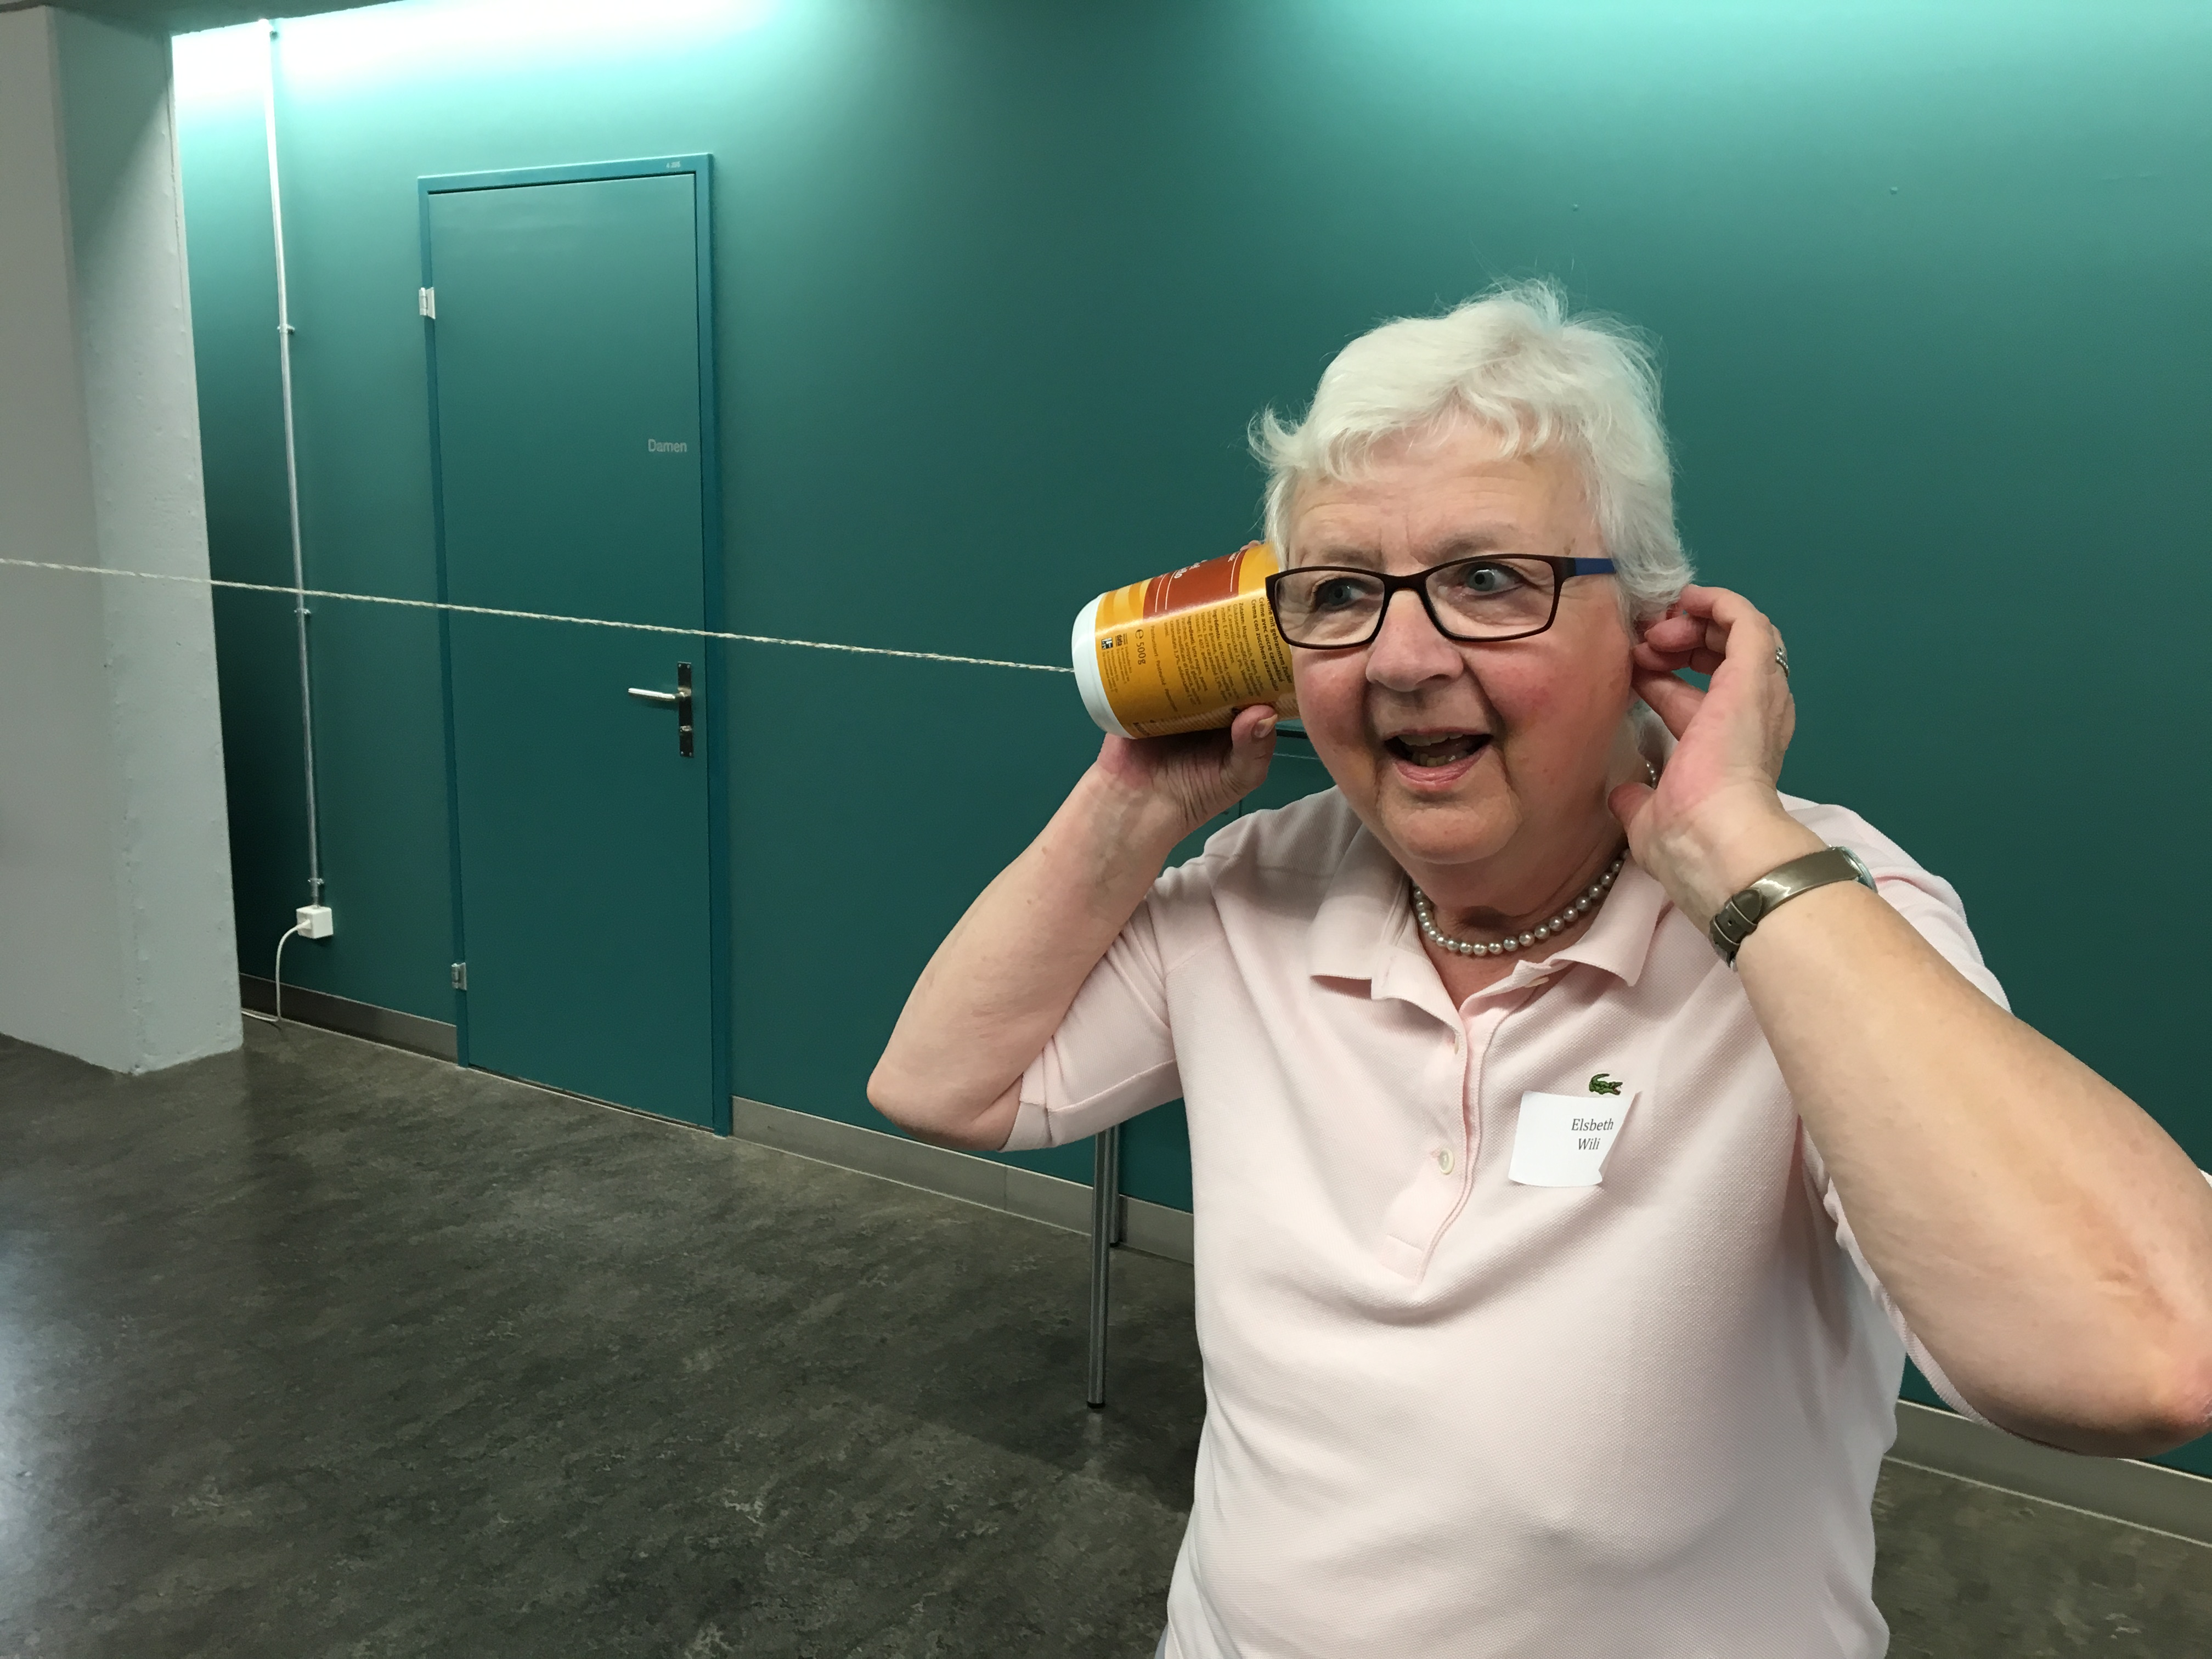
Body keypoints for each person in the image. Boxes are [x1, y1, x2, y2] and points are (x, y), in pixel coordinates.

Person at [867, 283, 2212, 1658]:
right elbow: (942, 1087)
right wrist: (1132, 805)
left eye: (1488, 580)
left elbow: (2144, 1356)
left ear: (1644, 626)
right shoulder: (1262, 881)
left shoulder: (1815, 913)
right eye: (1341, 594)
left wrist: (1742, 854)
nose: (1401, 659)